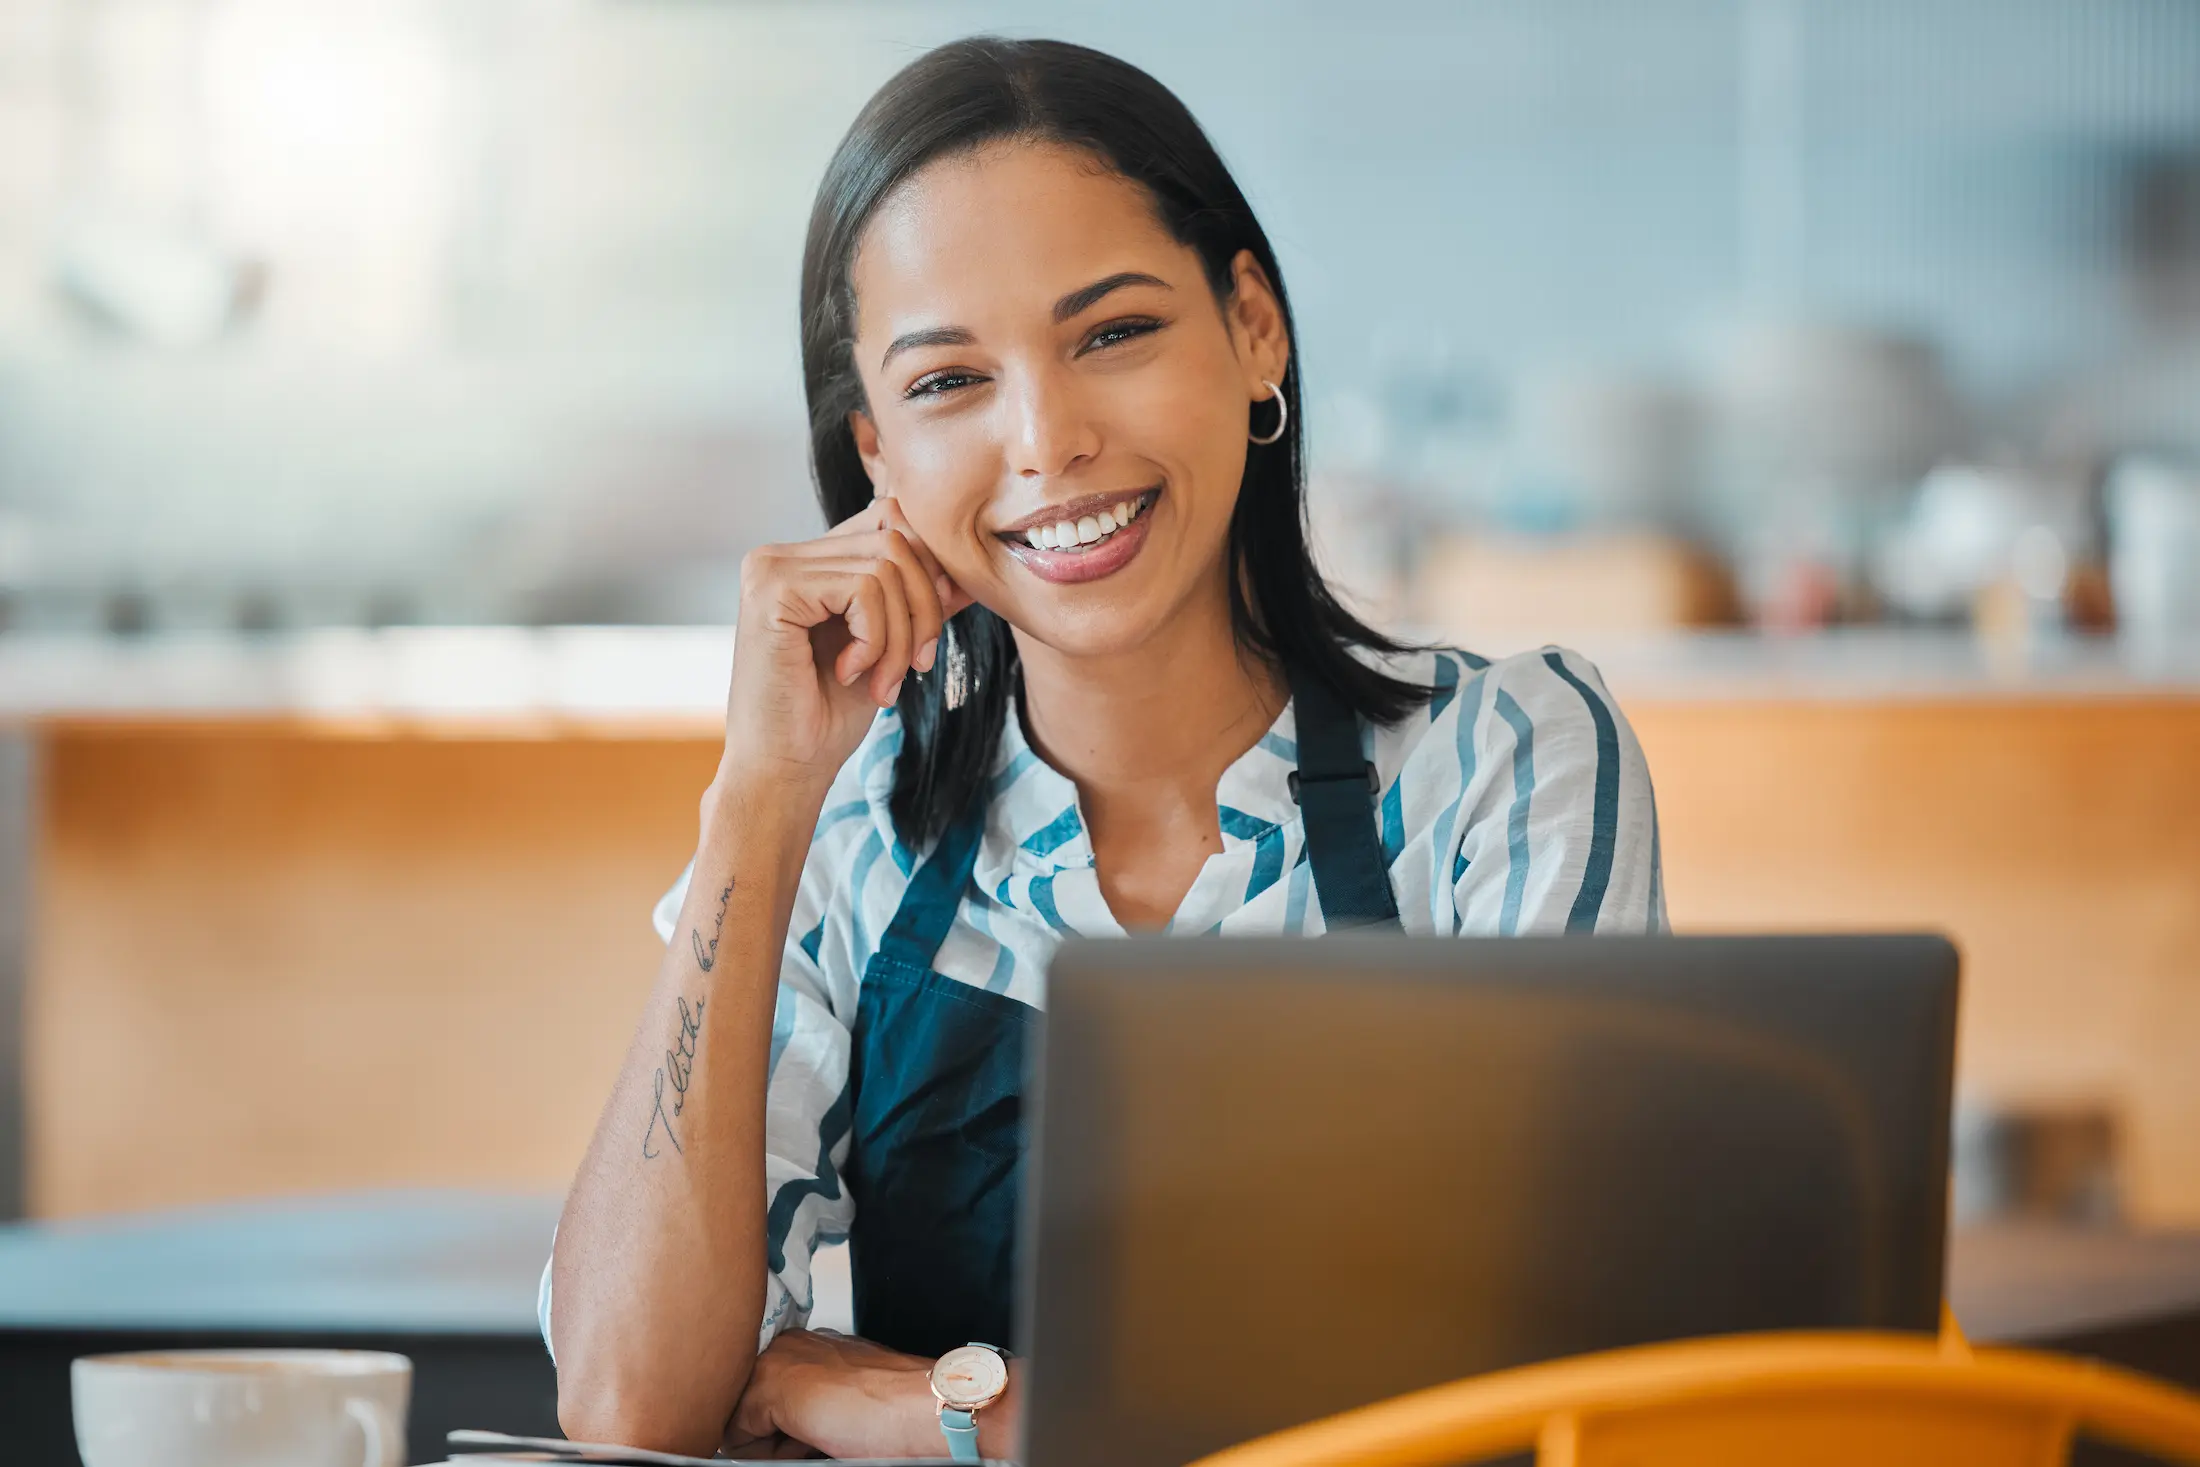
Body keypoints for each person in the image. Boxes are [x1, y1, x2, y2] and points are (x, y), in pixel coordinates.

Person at [542, 35, 1664, 1461]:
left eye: (1113, 334)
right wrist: (757, 799)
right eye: (949, 382)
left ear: (1253, 326)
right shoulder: (846, 847)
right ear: (876, 455)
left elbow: (1571, 1381)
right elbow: (632, 1400)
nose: (1048, 438)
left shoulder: (1506, 762)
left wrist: (949, 1406)